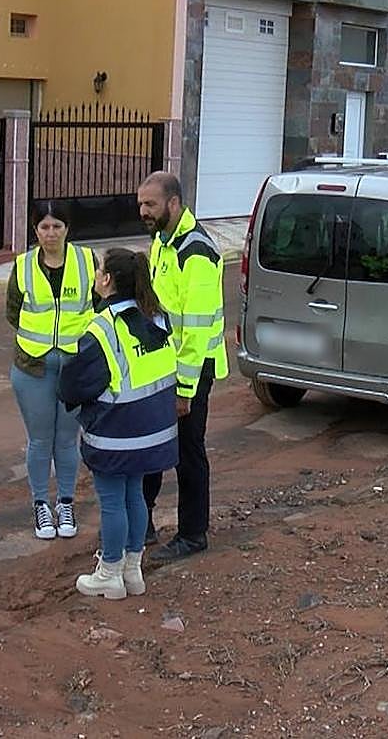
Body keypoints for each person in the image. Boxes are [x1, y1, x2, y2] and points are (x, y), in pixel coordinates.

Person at [59, 248, 178, 599]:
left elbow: (73, 386)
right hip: (153, 433)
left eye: (98, 271)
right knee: (135, 497)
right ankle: (132, 571)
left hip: (116, 435)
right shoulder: (156, 318)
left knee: (112, 501)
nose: (95, 276)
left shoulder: (101, 330)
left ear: (107, 280)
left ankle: (110, 572)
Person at [137, 172, 228, 562]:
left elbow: (196, 329)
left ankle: (193, 534)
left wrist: (184, 391)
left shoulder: (197, 253)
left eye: (150, 205)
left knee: (188, 453)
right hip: (164, 365)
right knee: (153, 445)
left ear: (173, 204)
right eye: (141, 204)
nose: (143, 211)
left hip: (191, 371)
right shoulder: (163, 240)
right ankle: (141, 524)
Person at [5, 201, 96, 540]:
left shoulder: (87, 262)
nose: (51, 233)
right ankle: (41, 504)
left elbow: (99, 307)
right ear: (35, 230)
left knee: (67, 440)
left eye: (57, 226)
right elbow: (13, 311)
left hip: (74, 367)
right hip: (33, 366)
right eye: (44, 227)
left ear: (67, 229)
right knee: (40, 440)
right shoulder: (23, 266)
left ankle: (66, 502)